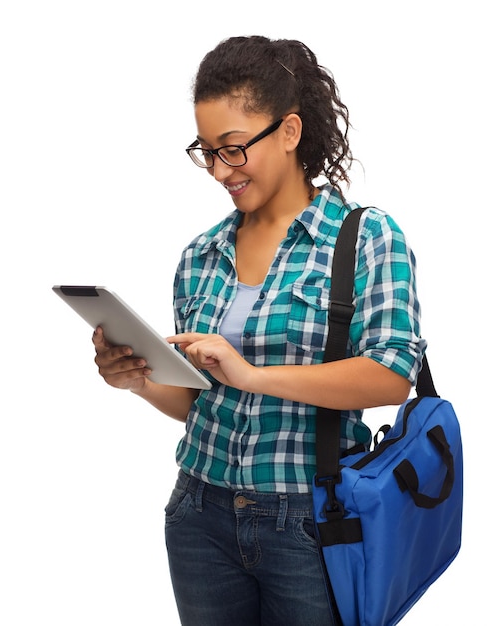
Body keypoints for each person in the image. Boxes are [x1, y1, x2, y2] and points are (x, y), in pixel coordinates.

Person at [93, 35, 426, 626]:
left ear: (290, 132)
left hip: (310, 523)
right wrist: (138, 380)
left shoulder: (364, 238)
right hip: (199, 514)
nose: (221, 170)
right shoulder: (201, 254)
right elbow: (199, 400)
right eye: (208, 151)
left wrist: (255, 375)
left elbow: (391, 375)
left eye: (235, 148)